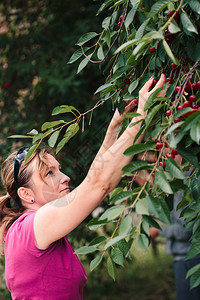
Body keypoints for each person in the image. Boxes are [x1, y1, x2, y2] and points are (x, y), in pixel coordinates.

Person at [0, 74, 166, 299]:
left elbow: (93, 179)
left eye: (58, 169)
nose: (65, 177)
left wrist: (113, 130)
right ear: (26, 194)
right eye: (49, 173)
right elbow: (98, 184)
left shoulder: (30, 228)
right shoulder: (34, 226)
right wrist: (142, 116)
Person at [150, 166, 200, 300]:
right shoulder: (183, 180)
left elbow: (185, 230)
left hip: (188, 257)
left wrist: (158, 230)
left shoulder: (185, 182)